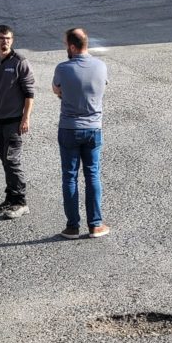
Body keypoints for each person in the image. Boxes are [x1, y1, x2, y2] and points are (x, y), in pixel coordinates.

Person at [52, 27, 109, 239]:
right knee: (92, 175)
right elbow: (101, 88)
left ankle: (72, 227)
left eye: (66, 44)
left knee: (70, 177)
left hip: (69, 128)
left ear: (73, 47)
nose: (65, 48)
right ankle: (95, 225)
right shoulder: (101, 66)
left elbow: (56, 90)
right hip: (93, 128)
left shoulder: (63, 68)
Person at [0, 24, 35, 219]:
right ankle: (10, 198)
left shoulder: (20, 62)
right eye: (1, 38)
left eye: (8, 38)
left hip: (14, 121)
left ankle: (21, 202)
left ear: (12, 40)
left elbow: (29, 93)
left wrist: (25, 118)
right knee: (5, 160)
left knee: (12, 160)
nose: (5, 41)